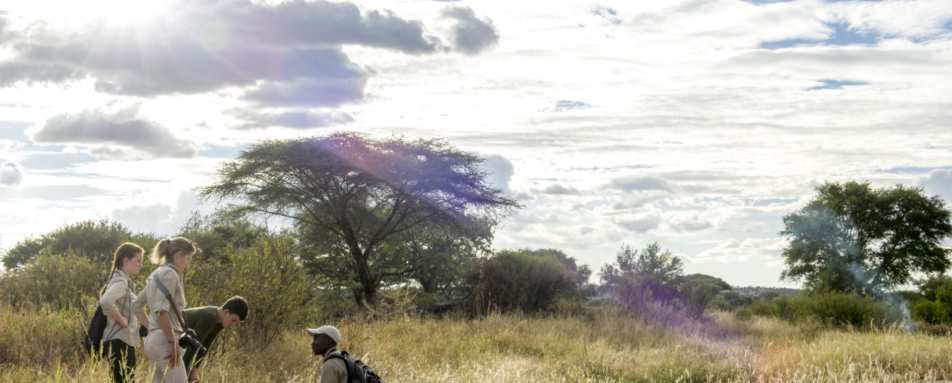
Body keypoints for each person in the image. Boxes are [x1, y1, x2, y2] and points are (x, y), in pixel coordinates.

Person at [135, 237, 197, 383]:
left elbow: (136, 306)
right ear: (179, 255)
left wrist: (152, 328)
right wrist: (171, 341)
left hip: (154, 339)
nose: (188, 263)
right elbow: (161, 311)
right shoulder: (170, 274)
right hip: (165, 341)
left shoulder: (156, 274)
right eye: (188, 258)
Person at [99, 242, 148, 383]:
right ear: (125, 260)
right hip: (119, 340)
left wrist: (153, 328)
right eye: (138, 260)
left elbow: (138, 310)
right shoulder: (120, 282)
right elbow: (105, 301)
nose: (140, 264)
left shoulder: (124, 281)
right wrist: (122, 320)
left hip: (123, 340)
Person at [182, 296, 249, 382]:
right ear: (226, 312)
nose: (233, 324)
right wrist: (185, 374)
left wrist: (195, 368)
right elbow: (191, 347)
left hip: (182, 342)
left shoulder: (219, 322)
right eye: (233, 320)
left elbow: (205, 345)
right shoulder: (209, 317)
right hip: (170, 334)